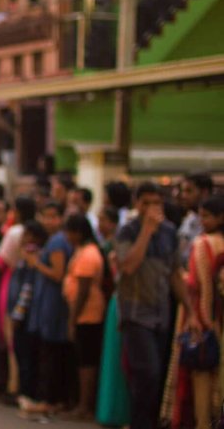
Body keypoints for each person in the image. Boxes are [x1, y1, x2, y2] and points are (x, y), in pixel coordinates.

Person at [116, 182, 198, 429]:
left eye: (156, 203)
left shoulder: (169, 231)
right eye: (146, 203)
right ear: (136, 204)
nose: (151, 208)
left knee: (158, 375)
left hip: (161, 314)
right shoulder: (127, 231)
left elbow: (174, 274)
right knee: (146, 372)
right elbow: (128, 266)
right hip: (135, 313)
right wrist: (146, 231)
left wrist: (191, 312)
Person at [162, 196, 224, 429]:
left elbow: (195, 285)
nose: (202, 220)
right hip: (217, 317)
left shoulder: (203, 243)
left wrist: (195, 316)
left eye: (206, 215)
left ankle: (202, 423)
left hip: (199, 314)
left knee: (200, 374)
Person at [25, 202, 73, 416]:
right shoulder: (56, 240)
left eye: (54, 216)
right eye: (45, 216)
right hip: (50, 302)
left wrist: (35, 263)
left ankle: (50, 400)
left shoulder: (57, 242)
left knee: (51, 352)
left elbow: (57, 274)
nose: (49, 221)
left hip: (55, 304)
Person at [62, 214, 105, 420]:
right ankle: (81, 403)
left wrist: (73, 318)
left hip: (88, 314)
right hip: (84, 313)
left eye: (68, 232)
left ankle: (85, 406)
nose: (66, 236)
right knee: (82, 360)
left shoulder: (88, 254)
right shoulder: (84, 251)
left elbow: (83, 291)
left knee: (87, 362)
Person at [0, 196, 36, 397]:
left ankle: (15, 385)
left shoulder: (15, 232)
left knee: (12, 335)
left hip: (13, 284)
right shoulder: (26, 232)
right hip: (22, 286)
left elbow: (0, 262)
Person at [96, 206, 131, 427]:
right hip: (117, 303)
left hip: (124, 303)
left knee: (123, 361)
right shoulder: (110, 248)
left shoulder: (117, 248)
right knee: (115, 360)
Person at [10, 220, 47, 418]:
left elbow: (27, 289)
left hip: (26, 316)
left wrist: (18, 313)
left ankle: (27, 395)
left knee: (26, 356)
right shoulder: (26, 257)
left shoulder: (32, 256)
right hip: (25, 315)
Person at [178, 173, 213, 265]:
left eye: (189, 191)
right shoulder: (189, 219)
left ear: (204, 192)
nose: (183, 196)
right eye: (183, 191)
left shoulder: (217, 223)